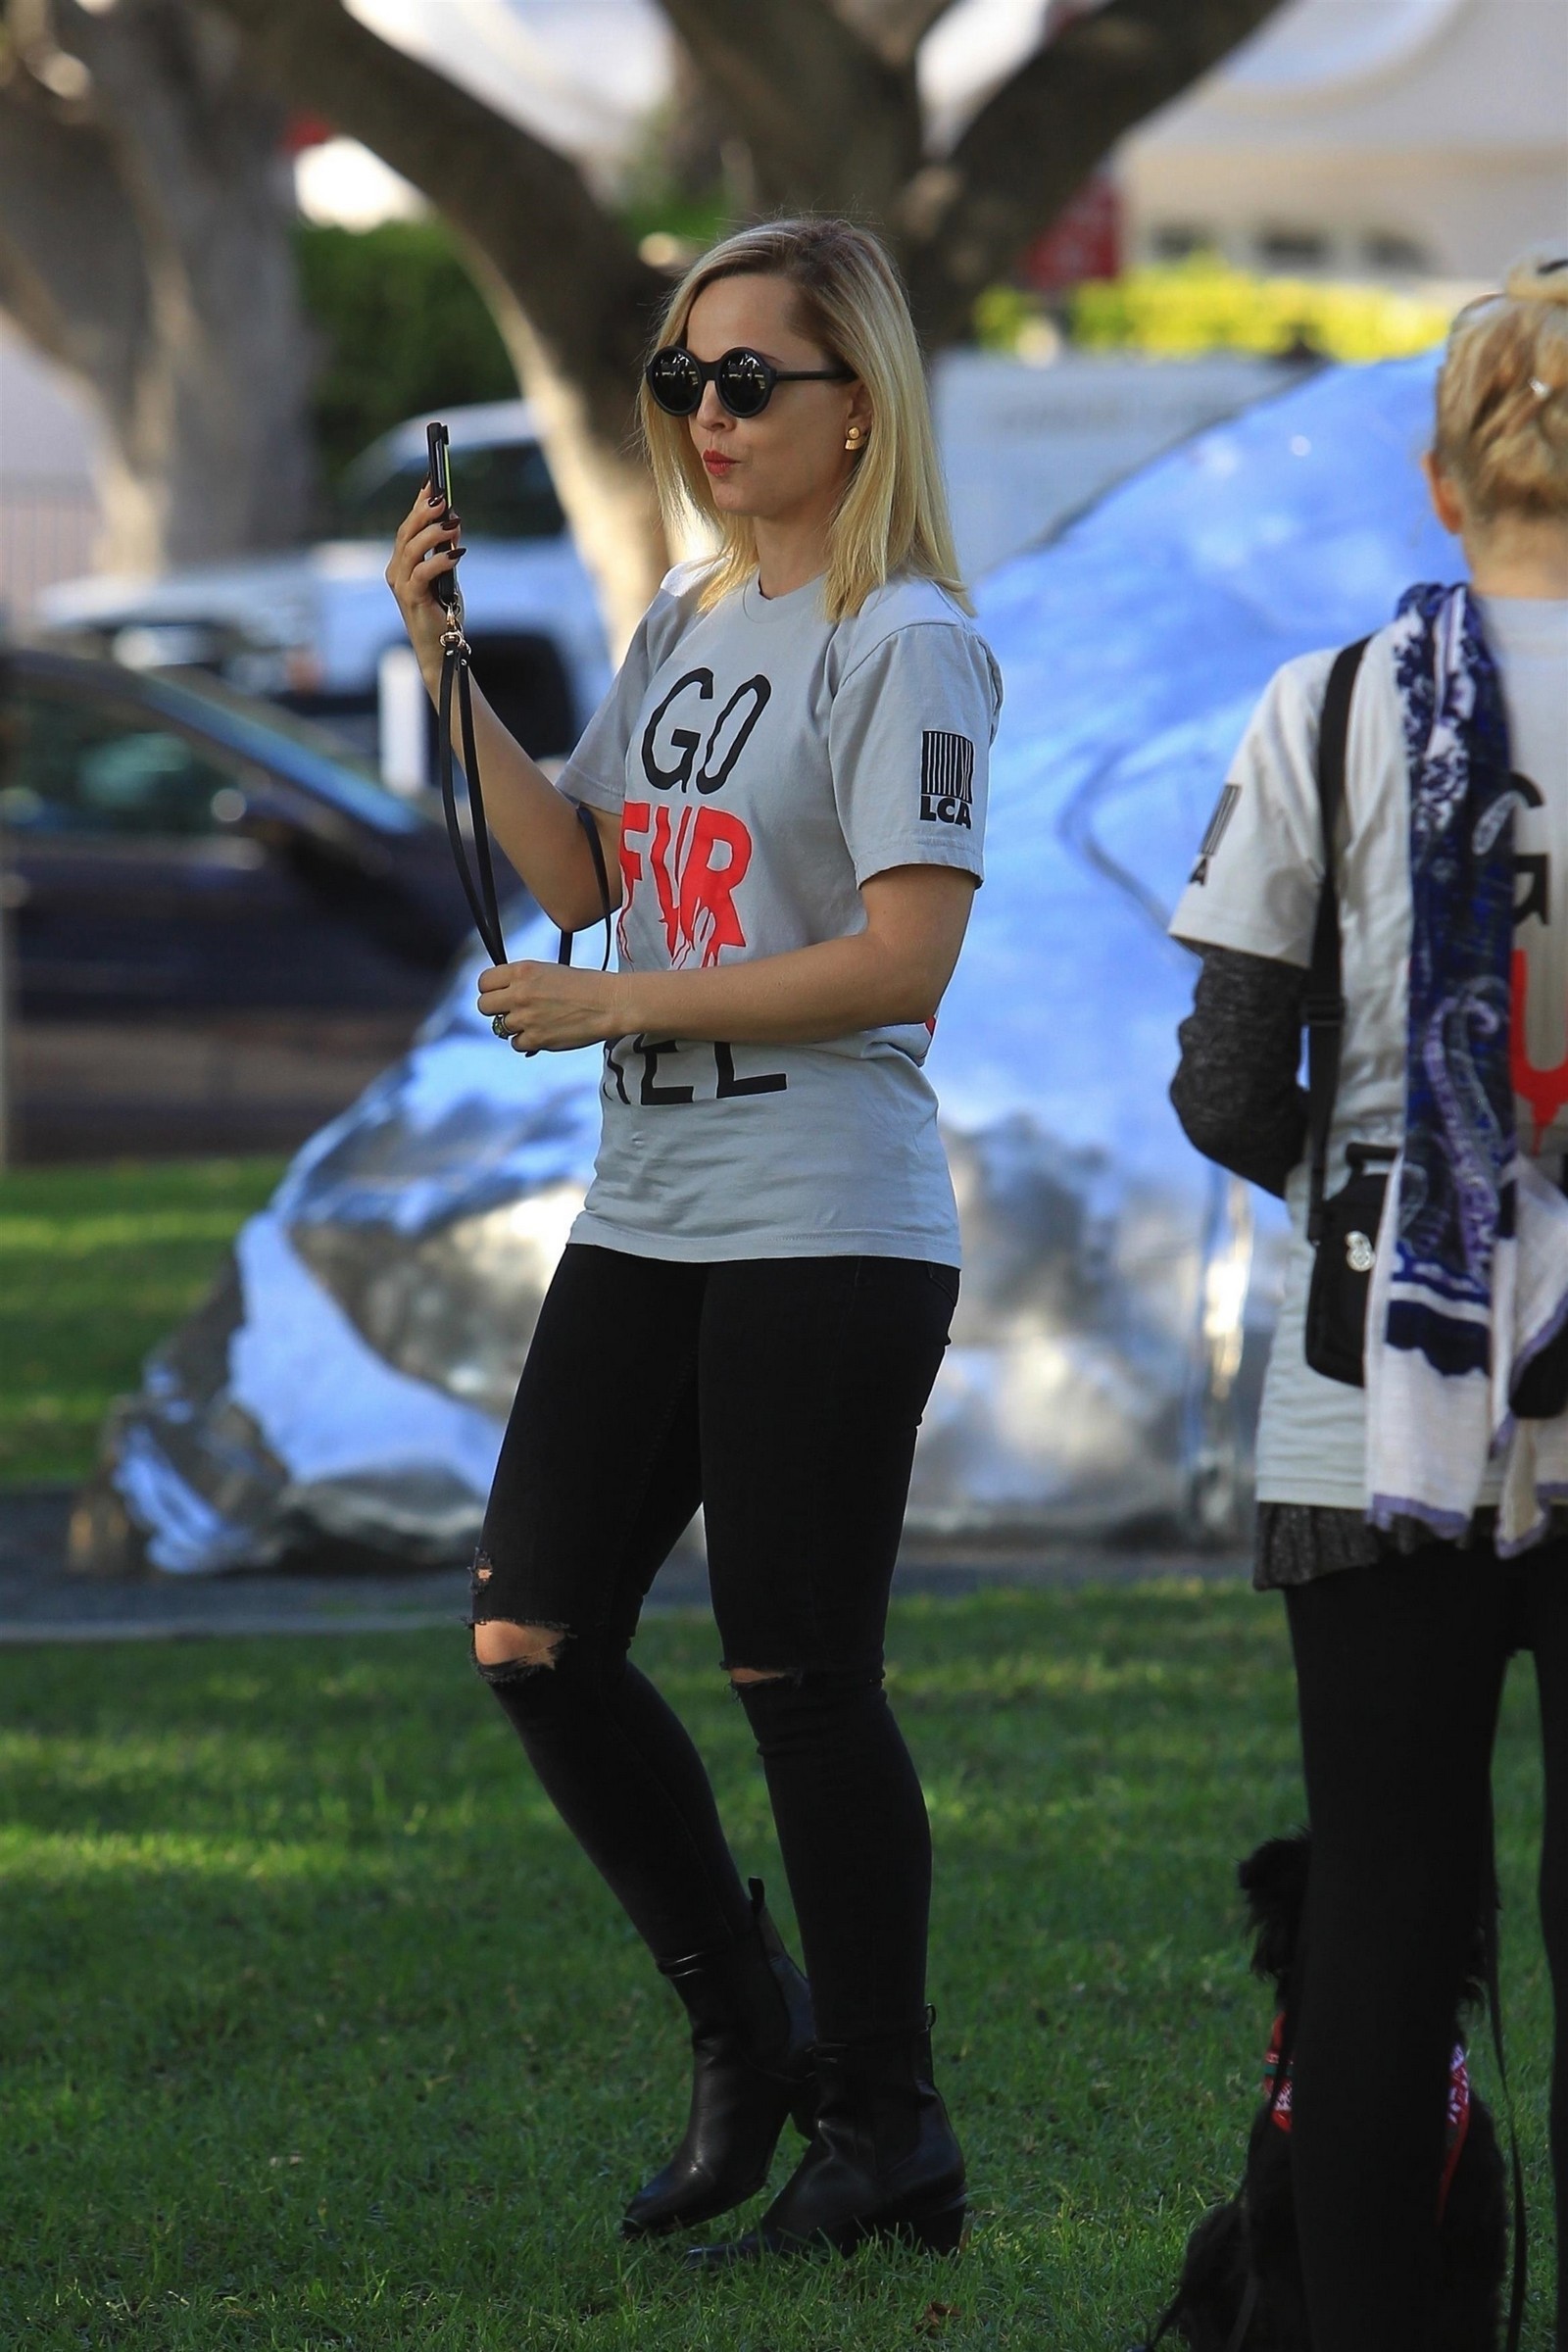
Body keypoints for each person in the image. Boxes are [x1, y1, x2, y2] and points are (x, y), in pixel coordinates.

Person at [385, 217, 1001, 2262]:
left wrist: (624, 1003)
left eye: (748, 380)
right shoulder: (687, 610)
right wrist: (448, 669)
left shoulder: (904, 638)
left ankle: (889, 2128)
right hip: (651, 1209)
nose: (707, 415)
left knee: (797, 1673)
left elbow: (901, 961)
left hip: (825, 1215)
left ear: (858, 403)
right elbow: (581, 872)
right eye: (683, 379)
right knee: (534, 1634)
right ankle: (752, 2032)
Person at [1167, 247, 1568, 2348]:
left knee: (1382, 1911)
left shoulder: (1325, 707)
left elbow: (1225, 1080)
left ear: (1438, 479)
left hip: (1368, 1389)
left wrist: (1400, 1194)